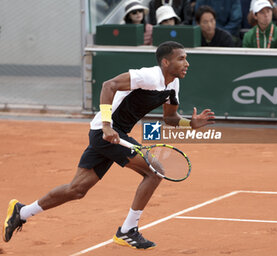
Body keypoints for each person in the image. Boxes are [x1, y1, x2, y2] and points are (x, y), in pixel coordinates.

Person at [2, 41, 215, 249]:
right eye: (181, 59)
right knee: (155, 171)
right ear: (166, 63)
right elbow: (108, 85)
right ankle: (127, 231)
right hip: (106, 132)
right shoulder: (148, 76)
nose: (187, 63)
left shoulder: (174, 84)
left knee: (77, 189)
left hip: (113, 134)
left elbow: (170, 117)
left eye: (186, 59)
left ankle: (21, 212)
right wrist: (106, 125)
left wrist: (190, 123)